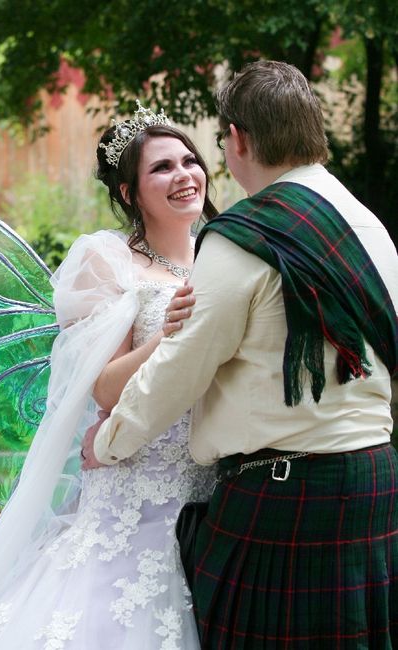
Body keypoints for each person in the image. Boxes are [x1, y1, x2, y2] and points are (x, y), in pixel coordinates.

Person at [82, 60, 398, 648]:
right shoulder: (370, 229)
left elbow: (185, 363)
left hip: (282, 493)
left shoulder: (243, 235)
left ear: (238, 139)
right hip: (375, 478)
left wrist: (108, 441)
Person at [0, 103, 218, 649]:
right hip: (133, 486)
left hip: (210, 489)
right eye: (161, 168)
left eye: (189, 161)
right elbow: (104, 387)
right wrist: (167, 337)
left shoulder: (225, 255)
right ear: (130, 193)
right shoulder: (108, 261)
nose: (183, 176)